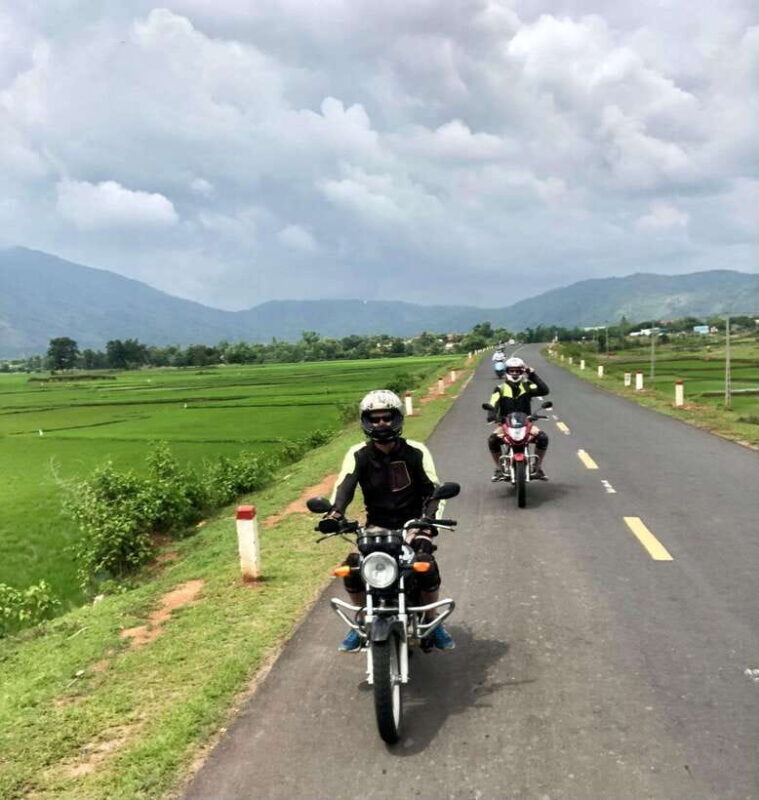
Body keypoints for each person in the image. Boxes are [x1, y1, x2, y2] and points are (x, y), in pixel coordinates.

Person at [325, 389, 455, 652]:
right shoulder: (358, 454)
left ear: (397, 419)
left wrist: (427, 523)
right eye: (374, 418)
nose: (381, 423)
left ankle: (432, 622)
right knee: (352, 567)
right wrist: (335, 513)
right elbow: (345, 486)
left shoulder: (416, 451)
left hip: (413, 523)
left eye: (386, 418)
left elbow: (433, 489)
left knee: (425, 563)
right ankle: (361, 620)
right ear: (365, 422)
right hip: (377, 526)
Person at [486, 356, 550, 481]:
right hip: (505, 424)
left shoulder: (527, 386)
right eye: (512, 370)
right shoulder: (500, 388)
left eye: (518, 371)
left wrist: (532, 374)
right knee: (492, 440)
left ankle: (537, 468)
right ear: (507, 371)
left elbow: (544, 390)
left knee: (543, 437)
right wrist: (492, 416)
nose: (515, 373)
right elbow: (492, 404)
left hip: (526, 423)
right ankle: (499, 469)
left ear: (522, 372)